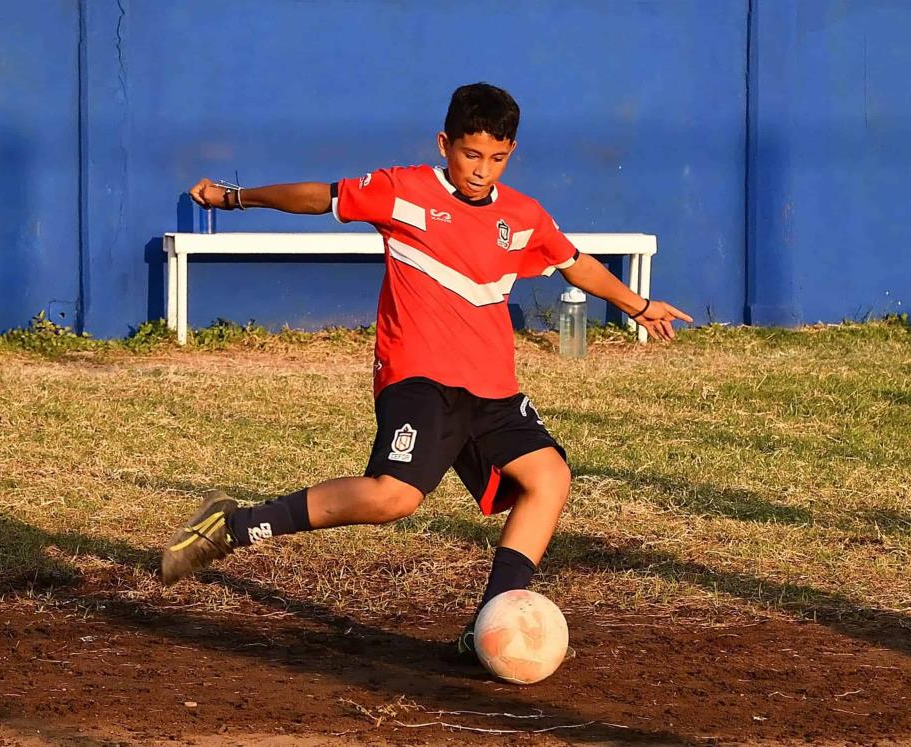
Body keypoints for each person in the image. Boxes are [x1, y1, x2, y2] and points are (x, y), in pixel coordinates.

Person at [161, 82, 692, 659]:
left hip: (493, 390)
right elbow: (320, 197)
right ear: (445, 143)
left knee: (551, 479)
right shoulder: (403, 191)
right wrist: (237, 198)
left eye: (497, 157)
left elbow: (575, 263)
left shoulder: (523, 215)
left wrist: (640, 305)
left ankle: (487, 627)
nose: (482, 170)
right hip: (418, 377)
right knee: (394, 498)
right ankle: (233, 526)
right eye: (471, 154)